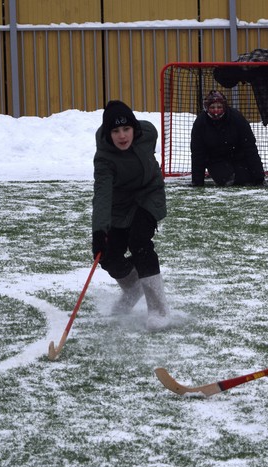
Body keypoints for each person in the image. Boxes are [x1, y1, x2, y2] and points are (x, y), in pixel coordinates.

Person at [92, 100, 169, 326]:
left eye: (126, 129)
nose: (122, 136)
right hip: (120, 206)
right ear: (109, 133)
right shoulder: (104, 158)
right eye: (115, 131)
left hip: (149, 195)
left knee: (139, 242)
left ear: (134, 128)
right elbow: (103, 195)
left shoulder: (148, 133)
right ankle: (134, 287)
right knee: (108, 257)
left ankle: (159, 311)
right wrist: (99, 232)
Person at [190, 91, 267, 187]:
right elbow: (198, 153)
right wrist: (197, 181)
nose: (216, 111)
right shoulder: (200, 123)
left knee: (246, 179)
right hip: (215, 160)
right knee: (227, 179)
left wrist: (259, 178)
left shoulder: (236, 118)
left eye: (219, 107)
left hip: (238, 157)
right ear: (207, 108)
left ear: (224, 107)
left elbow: (250, 147)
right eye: (212, 107)